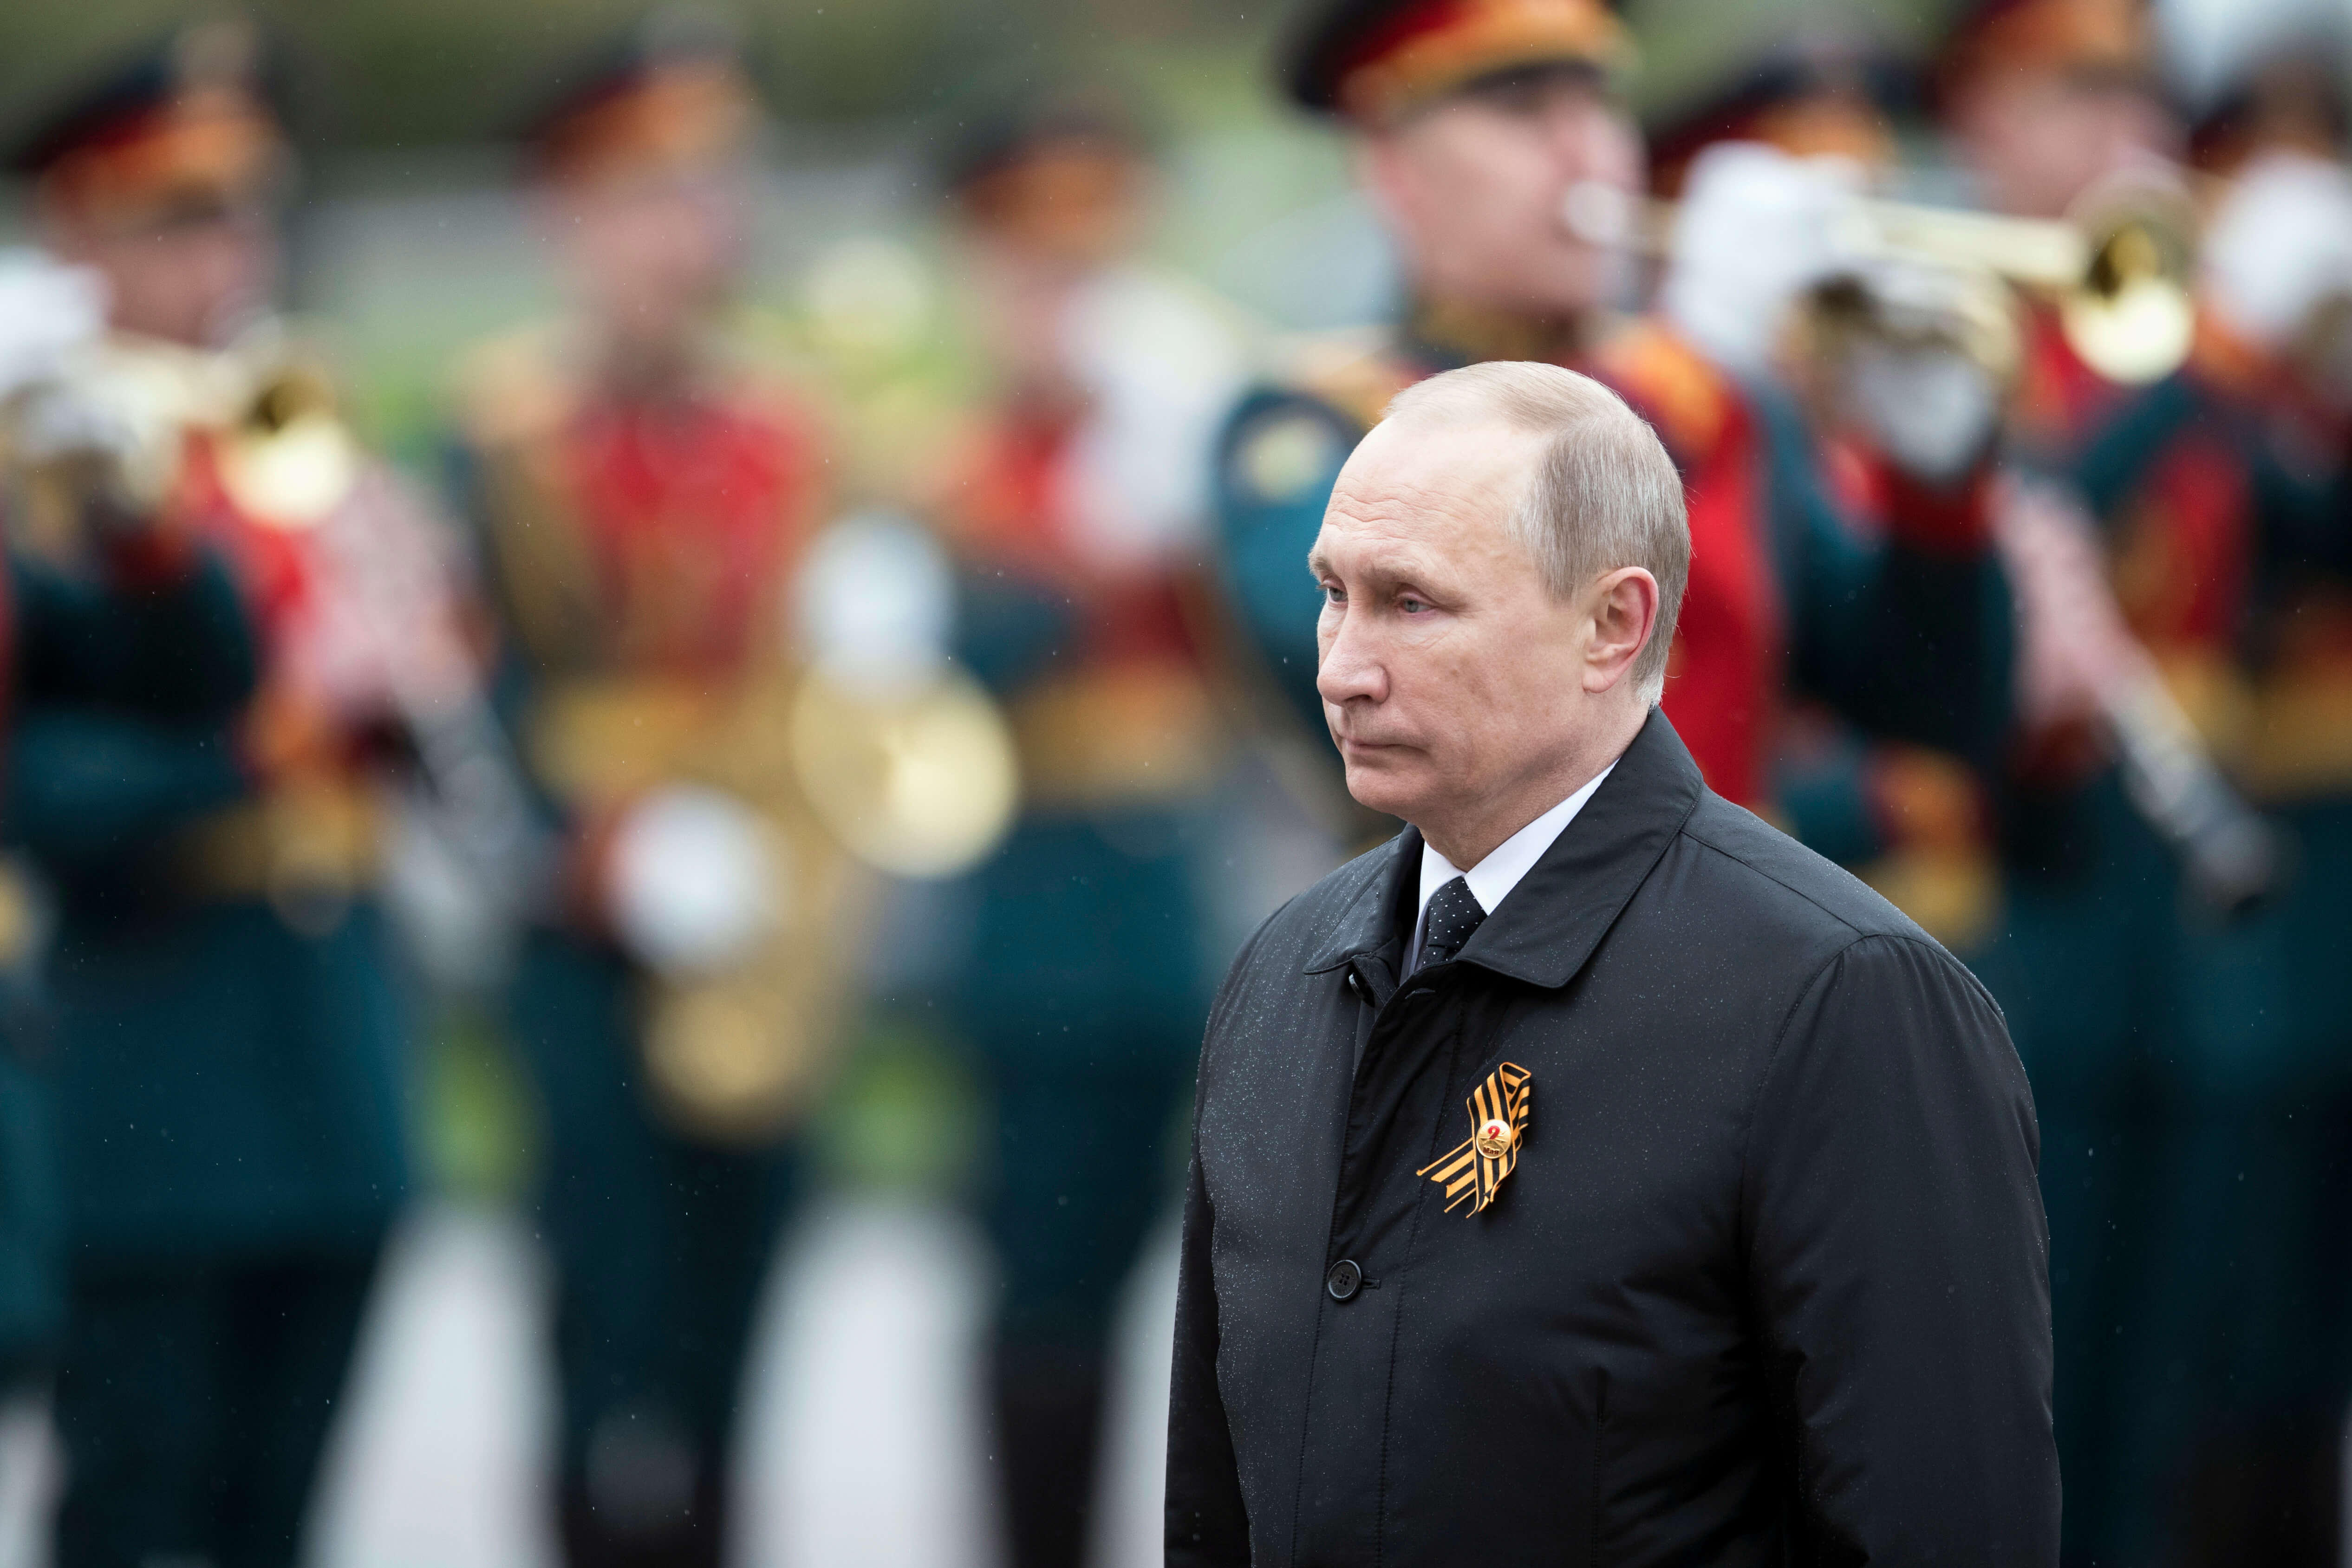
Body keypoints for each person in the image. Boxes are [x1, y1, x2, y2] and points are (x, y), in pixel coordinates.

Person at [1166, 360, 2056, 1564]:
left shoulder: (1839, 998)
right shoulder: (1286, 970)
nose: (1340, 667)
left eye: (1412, 604)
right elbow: (1219, 1507)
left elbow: (1936, 1523)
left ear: (1613, 626)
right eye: (1335, 594)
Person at [1216, 0, 2010, 850]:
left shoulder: (1721, 398)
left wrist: (1939, 491)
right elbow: (1402, 683)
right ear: (1393, 168)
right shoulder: (1315, 422)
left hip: (1732, 948)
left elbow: (1933, 713)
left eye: (1597, 103)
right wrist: (1692, 358)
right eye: (1523, 114)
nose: (1583, 151)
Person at [6, 23, 438, 1565]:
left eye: (248, 207)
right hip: (150, 1040)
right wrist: (258, 745)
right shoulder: (29, 462)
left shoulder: (293, 425)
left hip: (333, 1037)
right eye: (182, 214)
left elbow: (403, 721)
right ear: (79, 228)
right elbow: (33, 779)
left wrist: (416, 664)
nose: (232, 250)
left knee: (283, 1512)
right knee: (137, 1509)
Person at [446, 24, 855, 1565]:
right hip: (585, 928)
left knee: (742, 1319)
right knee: (594, 1313)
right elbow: (461, 696)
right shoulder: (500, 431)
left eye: (711, 189)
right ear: (570, 219)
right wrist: (580, 854)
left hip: (766, 906)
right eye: (653, 196)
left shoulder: (786, 428)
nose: (696, 230)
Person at [924, 99, 1245, 1568]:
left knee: (1220, 1306)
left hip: (1187, 913)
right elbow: (942, 674)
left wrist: (1193, 480)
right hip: (1035, 933)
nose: (1066, 295)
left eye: (1090, 259)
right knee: (1043, 1314)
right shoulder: (952, 468)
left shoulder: (1188, 435)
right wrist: (1082, 526)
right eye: (1032, 263)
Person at [2065, 60, 2352, 1560]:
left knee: (2203, 1304)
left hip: (2205, 844)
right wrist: (2216, 343)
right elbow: (2048, 496)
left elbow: (2309, 540)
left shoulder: (2231, 373)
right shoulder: (2066, 327)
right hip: (2051, 857)